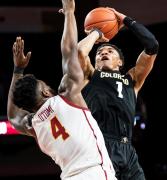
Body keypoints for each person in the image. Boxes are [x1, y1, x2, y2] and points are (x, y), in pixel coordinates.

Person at [7, 0, 117, 180]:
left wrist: (17, 71)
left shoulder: (31, 124)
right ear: (44, 92)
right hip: (95, 173)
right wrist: (70, 13)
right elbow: (69, 51)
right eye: (44, 84)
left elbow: (12, 116)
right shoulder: (67, 95)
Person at [78, 8, 159, 180]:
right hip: (100, 145)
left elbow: (152, 45)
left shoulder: (133, 79)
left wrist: (126, 20)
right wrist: (96, 33)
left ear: (120, 62)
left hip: (128, 149)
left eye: (109, 51)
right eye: (99, 53)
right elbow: (79, 52)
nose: (103, 53)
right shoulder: (90, 75)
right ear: (95, 62)